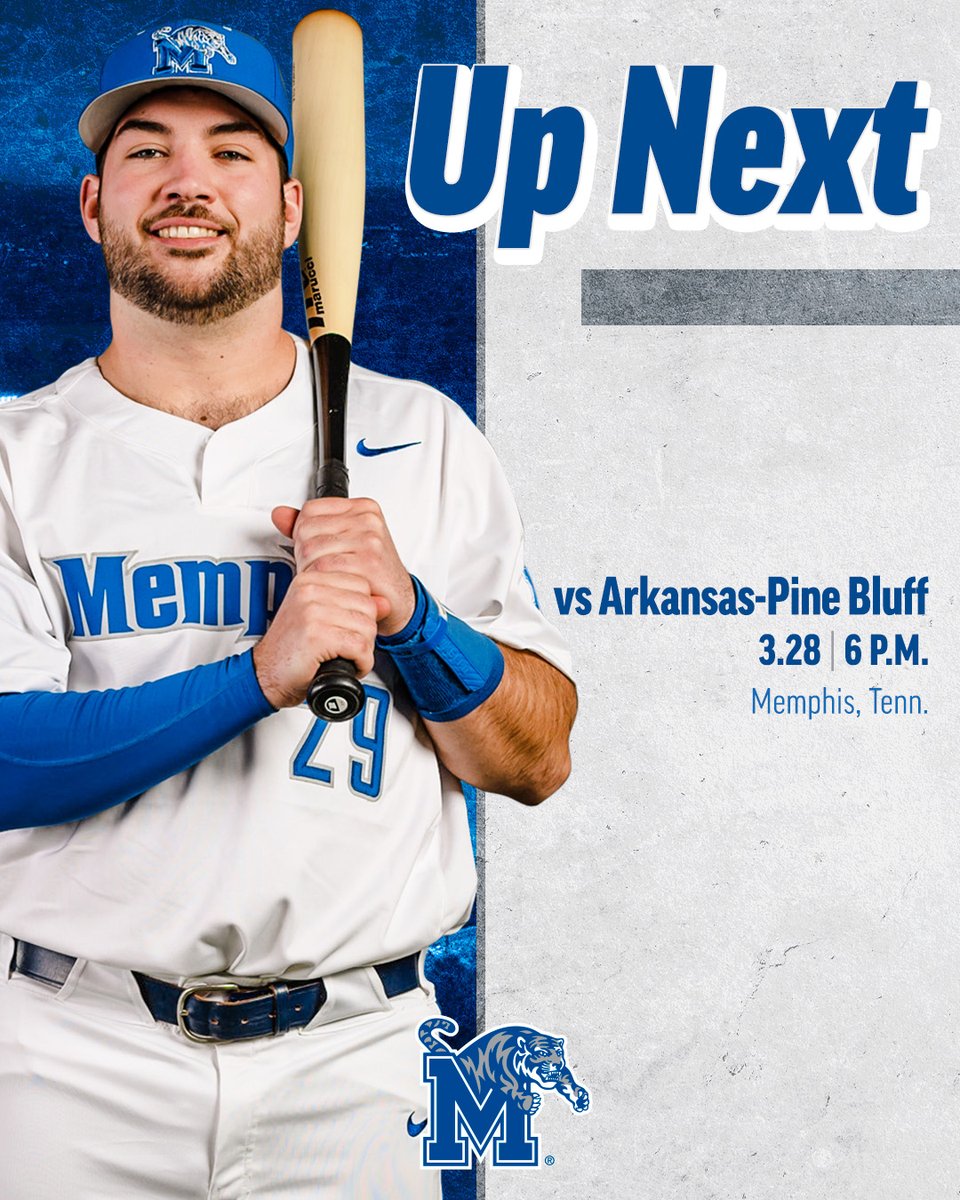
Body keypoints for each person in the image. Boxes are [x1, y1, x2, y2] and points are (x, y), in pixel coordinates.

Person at [0, 18, 576, 1200]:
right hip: (66, 1055)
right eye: (146, 150)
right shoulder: (19, 456)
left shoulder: (426, 441)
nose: (188, 180)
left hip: (361, 1059)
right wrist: (266, 669)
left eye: (232, 151)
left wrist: (414, 619)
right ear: (93, 207)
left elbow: (538, 756)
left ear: (295, 207)